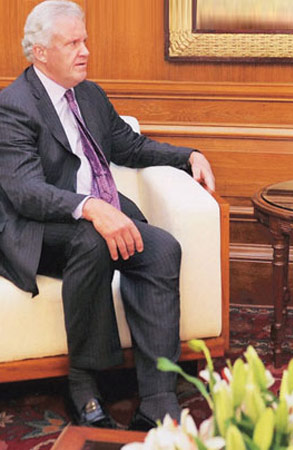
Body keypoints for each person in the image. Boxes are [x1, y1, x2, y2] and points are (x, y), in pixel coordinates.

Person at [0, 0, 216, 430]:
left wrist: (186, 155)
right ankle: (83, 384)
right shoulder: (13, 106)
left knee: (160, 249)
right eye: (72, 43)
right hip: (36, 229)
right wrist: (93, 207)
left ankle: (157, 397)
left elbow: (129, 146)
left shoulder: (90, 95)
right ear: (40, 52)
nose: (84, 51)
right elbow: (25, 193)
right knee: (93, 238)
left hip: (93, 222)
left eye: (85, 41)